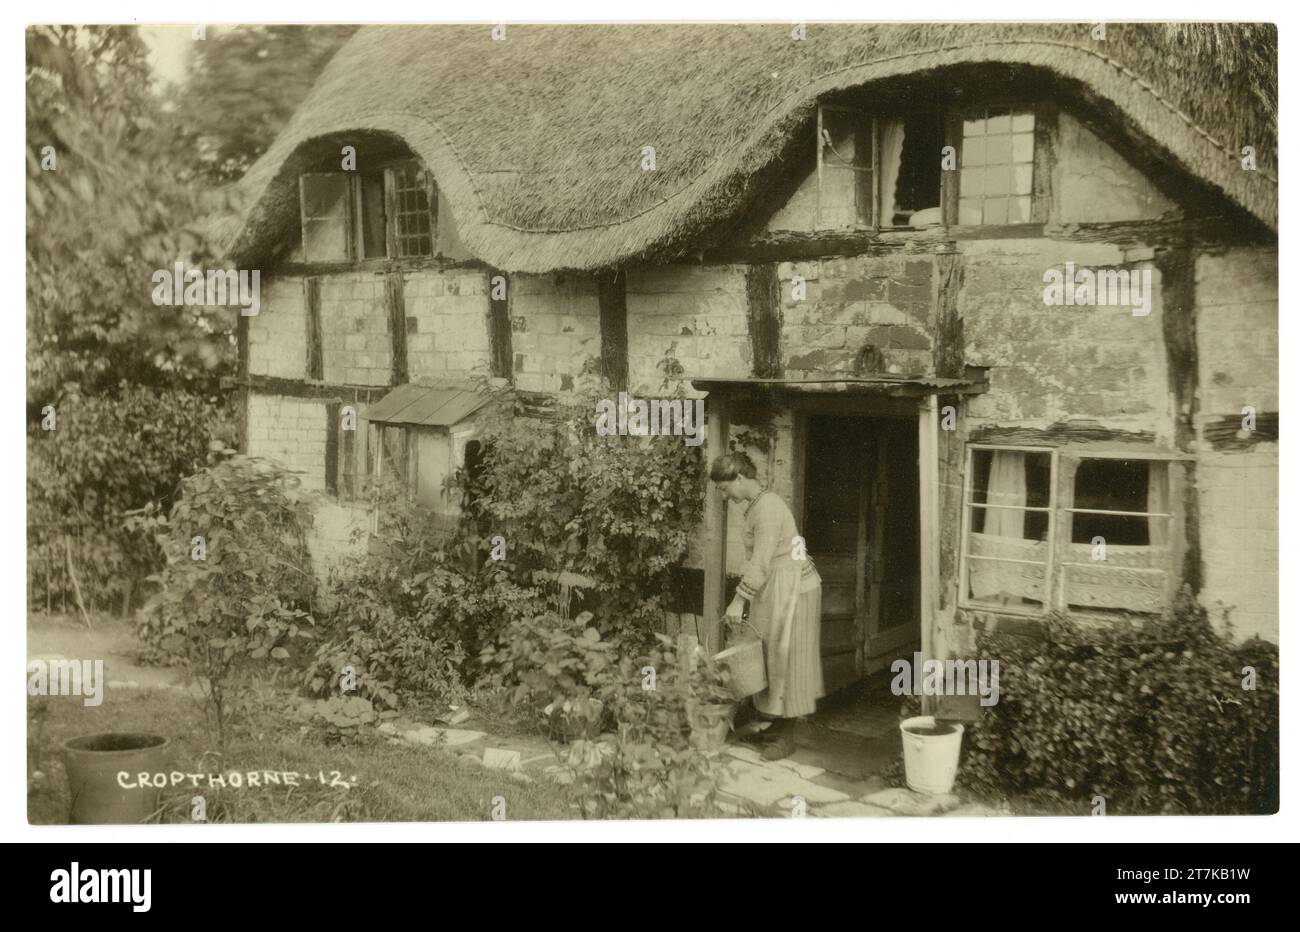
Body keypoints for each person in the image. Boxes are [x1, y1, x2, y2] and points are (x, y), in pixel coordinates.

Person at [709, 452, 824, 760]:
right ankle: (776, 725)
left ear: (739, 479)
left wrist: (738, 601)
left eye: (723, 488)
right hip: (778, 585)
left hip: (795, 588)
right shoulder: (757, 506)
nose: (723, 495)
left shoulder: (768, 509)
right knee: (772, 652)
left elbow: (760, 561)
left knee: (789, 657)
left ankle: (788, 736)